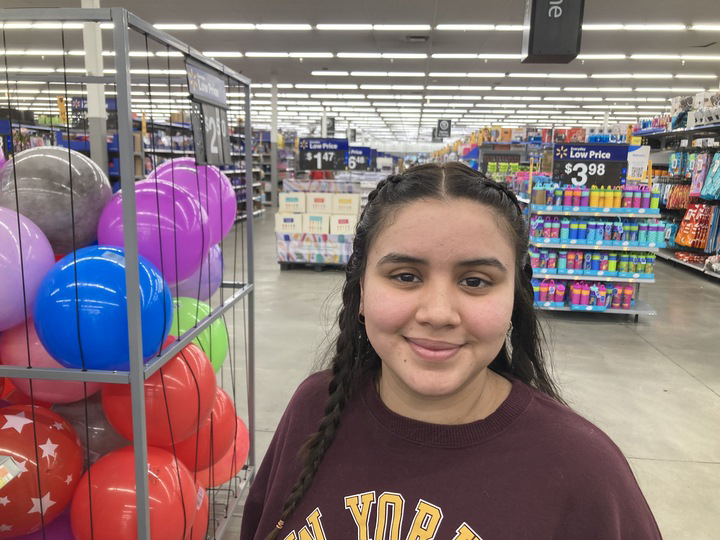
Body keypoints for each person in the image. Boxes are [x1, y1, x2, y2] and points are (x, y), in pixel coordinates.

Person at [241, 162, 662, 540]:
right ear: (362, 291)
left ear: (515, 299)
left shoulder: (584, 472)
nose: (439, 313)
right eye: (405, 276)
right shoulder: (313, 407)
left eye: (475, 281)